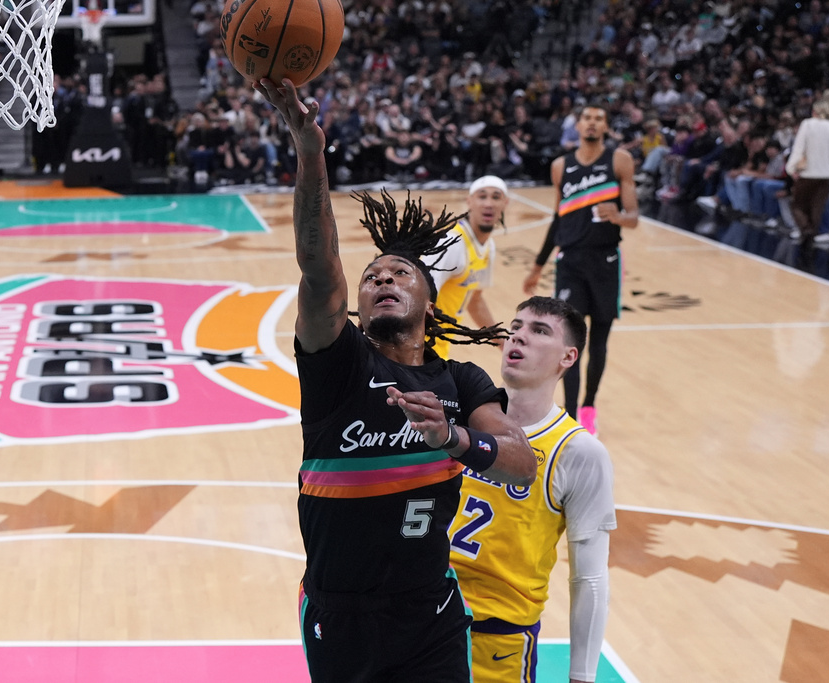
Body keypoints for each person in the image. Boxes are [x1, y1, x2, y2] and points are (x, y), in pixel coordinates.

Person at [253, 77, 537, 683]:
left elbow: (519, 462)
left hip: (430, 609)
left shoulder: (461, 379)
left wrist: (456, 441)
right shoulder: (341, 363)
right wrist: (310, 152)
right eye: (372, 275)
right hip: (341, 615)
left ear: (430, 305)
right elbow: (319, 264)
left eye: (400, 273)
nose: (382, 278)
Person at [451, 296, 616, 683]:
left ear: (568, 358)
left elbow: (589, 577)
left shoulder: (578, 452)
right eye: (517, 326)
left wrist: (582, 677)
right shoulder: (457, 415)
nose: (518, 337)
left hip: (497, 644)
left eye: (539, 331)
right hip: (418, 620)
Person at [523, 101, 639, 436]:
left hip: (605, 260)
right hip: (570, 262)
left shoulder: (619, 160)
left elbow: (633, 217)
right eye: (586, 118)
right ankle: (570, 412)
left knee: (599, 339)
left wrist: (617, 216)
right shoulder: (561, 166)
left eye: (598, 119)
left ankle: (589, 406)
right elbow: (558, 219)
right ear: (578, 125)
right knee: (569, 342)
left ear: (605, 126)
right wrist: (537, 265)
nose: (591, 123)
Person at [422, 175, 510, 358]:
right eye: (482, 196)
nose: (489, 204)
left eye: (496, 197)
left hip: (439, 348)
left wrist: (502, 342)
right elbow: (418, 295)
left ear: (505, 204)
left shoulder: (488, 247)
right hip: (421, 349)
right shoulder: (452, 243)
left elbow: (475, 301)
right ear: (469, 201)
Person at [785, 93, 829, 270]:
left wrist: (791, 168)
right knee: (816, 208)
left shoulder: (808, 125)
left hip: (807, 174)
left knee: (797, 206)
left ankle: (806, 230)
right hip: (825, 175)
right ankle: (809, 245)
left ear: (815, 111)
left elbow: (798, 149)